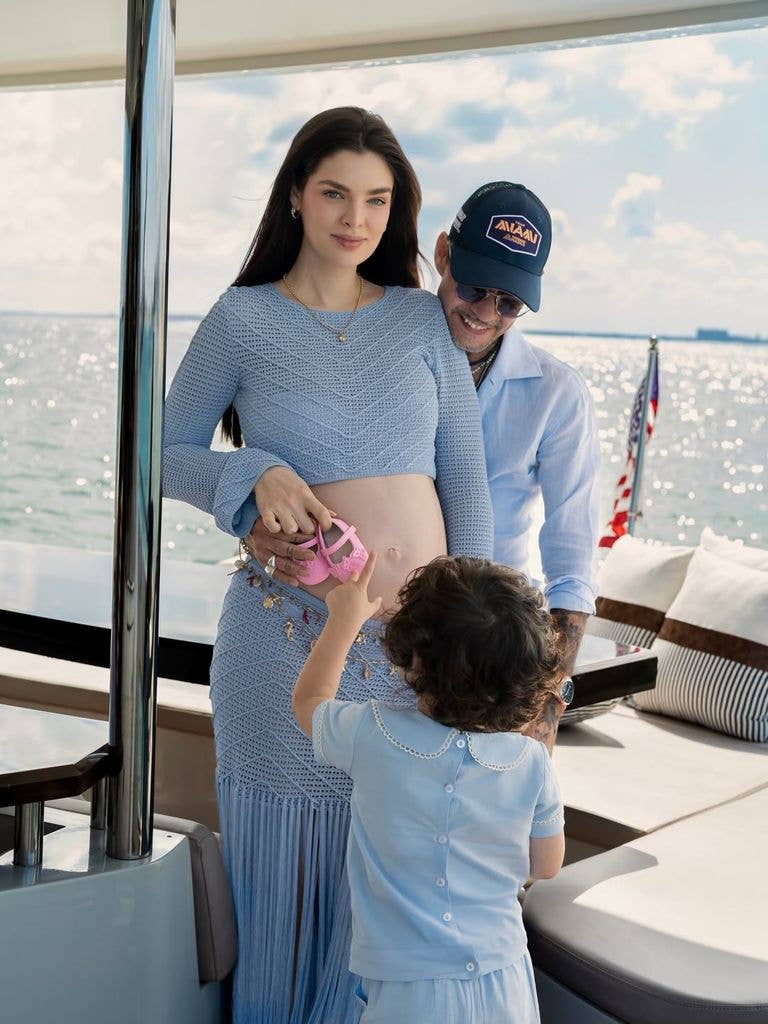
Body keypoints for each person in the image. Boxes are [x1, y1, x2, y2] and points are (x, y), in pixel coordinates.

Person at [162, 107, 493, 1024]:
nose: (357, 219)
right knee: (292, 894)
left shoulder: (426, 322)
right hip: (286, 652)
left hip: (416, 664)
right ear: (298, 197)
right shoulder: (244, 318)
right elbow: (160, 448)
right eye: (337, 194)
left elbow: (465, 482)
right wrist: (249, 477)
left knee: (389, 904)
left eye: (378, 201)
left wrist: (491, 648)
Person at [249, 180, 600, 752]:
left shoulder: (558, 395)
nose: (485, 312)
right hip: (344, 639)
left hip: (482, 669)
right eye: (474, 287)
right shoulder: (362, 339)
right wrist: (253, 517)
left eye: (509, 302)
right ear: (442, 255)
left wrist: (543, 710)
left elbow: (572, 562)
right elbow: (299, 446)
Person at [292, 551, 567, 1023]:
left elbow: (310, 702)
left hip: (408, 989)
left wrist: (344, 619)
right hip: (505, 980)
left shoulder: (372, 733)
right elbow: (546, 864)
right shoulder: (532, 763)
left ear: (414, 657)